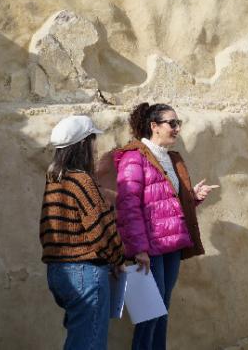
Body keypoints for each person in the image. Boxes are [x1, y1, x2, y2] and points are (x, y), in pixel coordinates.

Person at [114, 102, 218, 350]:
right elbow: (128, 207)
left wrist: (192, 198)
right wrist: (139, 249)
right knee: (150, 312)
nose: (176, 128)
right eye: (172, 123)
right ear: (154, 126)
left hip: (172, 244)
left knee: (162, 309)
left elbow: (165, 201)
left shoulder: (170, 158)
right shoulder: (134, 157)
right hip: (149, 248)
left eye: (178, 123)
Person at [39, 115, 126, 350]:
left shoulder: (54, 179)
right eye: (92, 140)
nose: (95, 146)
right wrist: (118, 258)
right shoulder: (81, 181)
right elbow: (101, 228)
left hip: (58, 272)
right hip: (84, 273)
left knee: (79, 340)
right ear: (83, 145)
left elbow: (47, 229)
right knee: (90, 344)